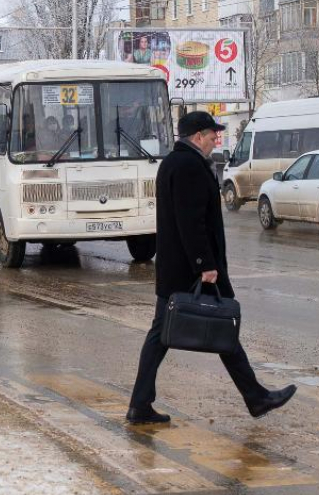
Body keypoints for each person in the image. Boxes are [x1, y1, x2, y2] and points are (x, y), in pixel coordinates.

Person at [127, 111, 297, 424]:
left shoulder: (172, 163)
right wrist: (205, 264)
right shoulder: (189, 166)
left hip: (177, 267)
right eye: (212, 134)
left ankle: (141, 404)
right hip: (191, 269)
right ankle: (256, 398)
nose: (216, 139)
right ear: (197, 136)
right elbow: (192, 221)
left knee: (168, 335)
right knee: (221, 327)